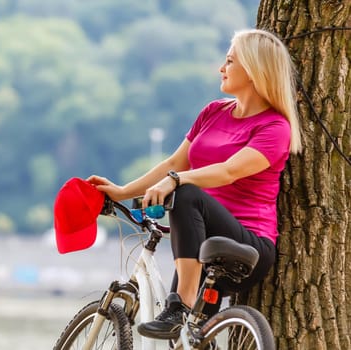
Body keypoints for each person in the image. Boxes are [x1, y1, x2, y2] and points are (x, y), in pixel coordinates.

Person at [87, 28, 302, 340]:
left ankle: (181, 305)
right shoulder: (213, 112)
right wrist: (122, 191)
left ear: (256, 71)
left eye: (230, 61)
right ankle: (184, 314)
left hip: (246, 245)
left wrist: (176, 182)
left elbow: (228, 171)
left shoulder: (275, 128)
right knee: (187, 340)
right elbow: (174, 163)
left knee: (185, 194)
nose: (221, 68)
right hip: (202, 245)